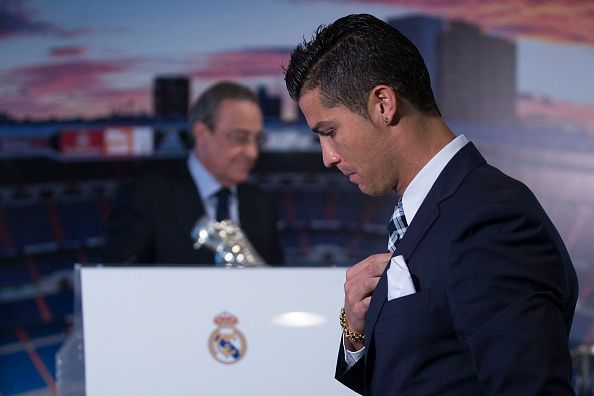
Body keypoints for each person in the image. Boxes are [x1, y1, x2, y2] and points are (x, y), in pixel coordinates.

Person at [284, 13, 578, 395]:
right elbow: (419, 370)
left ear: (384, 104)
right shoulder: (432, 209)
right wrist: (355, 330)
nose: (328, 156)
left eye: (329, 132)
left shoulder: (490, 220)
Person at [104, 81, 284, 265]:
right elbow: (119, 281)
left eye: (257, 139)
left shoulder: (262, 204)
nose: (252, 152)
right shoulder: (144, 198)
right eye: (240, 138)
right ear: (201, 133)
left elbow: (276, 284)